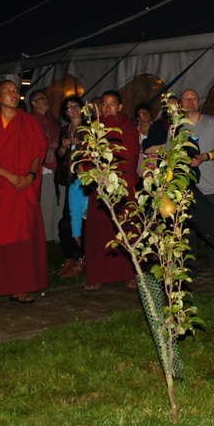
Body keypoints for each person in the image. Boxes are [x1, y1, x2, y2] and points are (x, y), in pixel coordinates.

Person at [0, 80, 48, 304]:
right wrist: (8, 176)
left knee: (21, 235)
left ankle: (20, 287)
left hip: (22, 187)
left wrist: (31, 176)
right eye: (7, 91)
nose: (13, 94)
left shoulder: (29, 122)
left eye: (16, 91)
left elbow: (38, 152)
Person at [83, 91, 139, 291]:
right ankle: (97, 274)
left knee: (126, 229)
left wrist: (113, 176)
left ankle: (130, 273)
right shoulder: (95, 127)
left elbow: (130, 156)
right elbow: (87, 155)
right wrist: (94, 173)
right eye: (104, 104)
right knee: (99, 231)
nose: (107, 108)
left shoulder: (128, 127)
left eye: (112, 104)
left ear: (120, 107)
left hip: (122, 184)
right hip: (100, 185)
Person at [180, 88, 214, 280]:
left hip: (209, 185)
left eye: (193, 98)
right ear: (181, 103)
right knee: (188, 230)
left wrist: (205, 157)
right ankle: (190, 268)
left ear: (199, 101)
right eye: (186, 98)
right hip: (186, 186)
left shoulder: (211, 122)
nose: (190, 101)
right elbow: (170, 151)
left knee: (213, 229)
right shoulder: (177, 126)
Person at [55, 95, 86, 278]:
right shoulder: (65, 130)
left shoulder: (90, 127)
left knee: (84, 219)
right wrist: (64, 146)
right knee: (66, 221)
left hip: (86, 179)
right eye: (69, 107)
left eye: (76, 106)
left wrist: (80, 143)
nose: (73, 110)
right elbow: (59, 154)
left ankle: (82, 259)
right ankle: (70, 257)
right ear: (65, 112)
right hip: (70, 179)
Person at [28, 89, 62, 245]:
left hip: (55, 166)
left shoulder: (51, 119)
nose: (46, 100)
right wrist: (48, 146)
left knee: (56, 200)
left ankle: (55, 234)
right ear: (34, 103)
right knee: (46, 201)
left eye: (46, 98)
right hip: (41, 167)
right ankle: (47, 237)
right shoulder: (30, 120)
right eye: (42, 98)